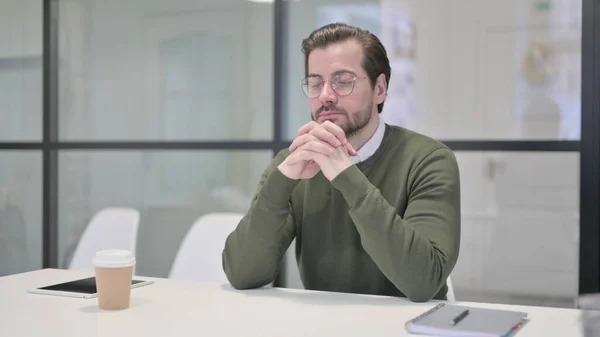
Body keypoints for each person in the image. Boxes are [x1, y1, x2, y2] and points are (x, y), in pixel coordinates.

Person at [222, 23, 460, 302]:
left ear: (380, 89)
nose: (325, 95)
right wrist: (280, 181)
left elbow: (423, 282)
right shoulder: (293, 163)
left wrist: (345, 174)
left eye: (343, 81)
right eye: (315, 83)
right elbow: (242, 274)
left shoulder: (429, 160)